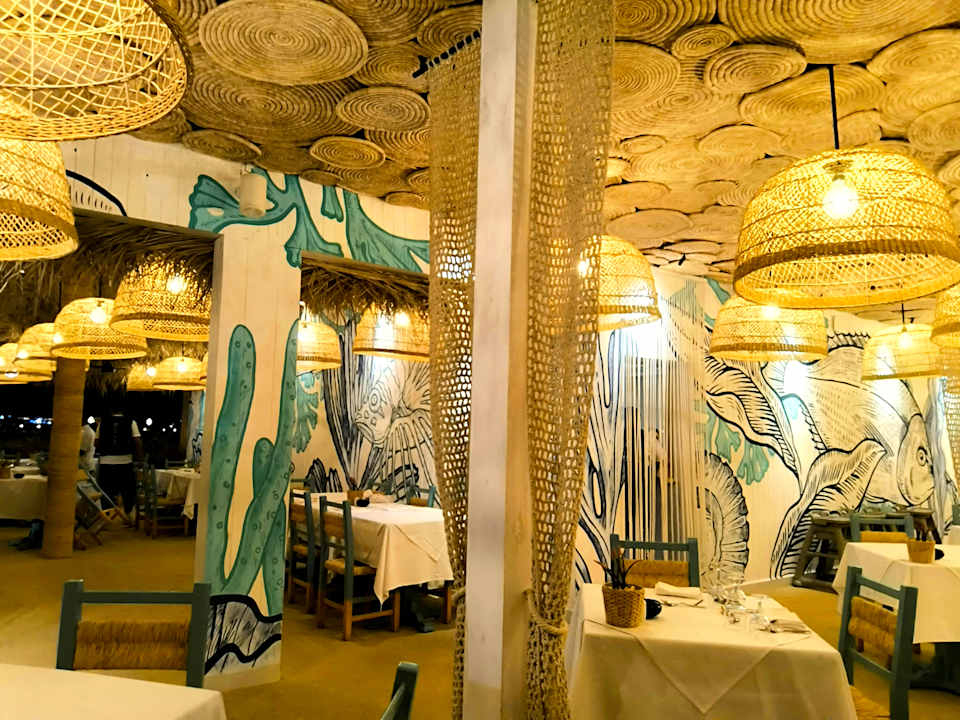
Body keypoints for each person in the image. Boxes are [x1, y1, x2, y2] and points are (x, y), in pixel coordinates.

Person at [95, 403, 143, 513]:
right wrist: (140, 458)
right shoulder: (131, 422)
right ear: (123, 411)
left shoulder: (102, 423)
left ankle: (108, 514)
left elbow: (96, 442)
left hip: (106, 462)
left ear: (111, 411)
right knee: (128, 492)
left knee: (106, 492)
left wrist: (105, 446)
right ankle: (128, 513)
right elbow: (137, 441)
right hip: (125, 462)